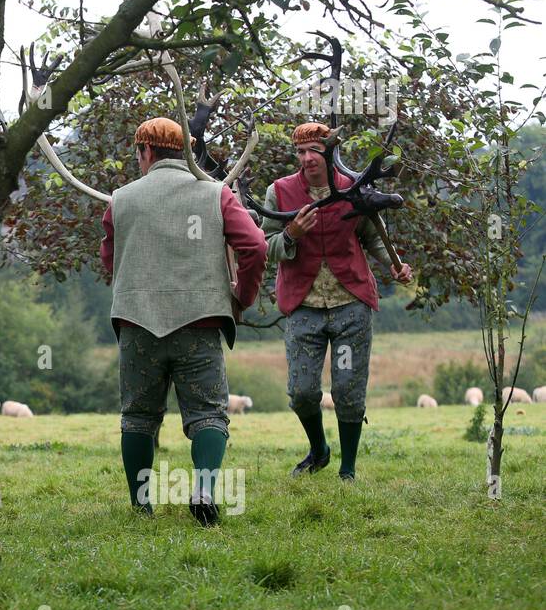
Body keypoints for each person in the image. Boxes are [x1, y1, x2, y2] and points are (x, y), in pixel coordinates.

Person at [101, 118, 267, 524]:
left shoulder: (120, 199)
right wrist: (240, 297)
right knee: (209, 414)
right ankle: (204, 491)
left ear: (146, 152)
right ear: (186, 152)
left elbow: (109, 259)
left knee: (138, 417)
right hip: (201, 323)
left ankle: (141, 508)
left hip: (138, 325)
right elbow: (257, 247)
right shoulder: (218, 195)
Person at [260, 121, 413, 481]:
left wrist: (394, 265)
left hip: (350, 305)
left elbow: (374, 237)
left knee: (347, 388)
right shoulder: (278, 192)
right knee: (302, 391)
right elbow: (264, 247)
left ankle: (348, 469)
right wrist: (290, 235)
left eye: (315, 150)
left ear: (331, 152)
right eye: (300, 152)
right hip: (303, 307)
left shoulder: (354, 188)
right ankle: (320, 449)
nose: (307, 158)